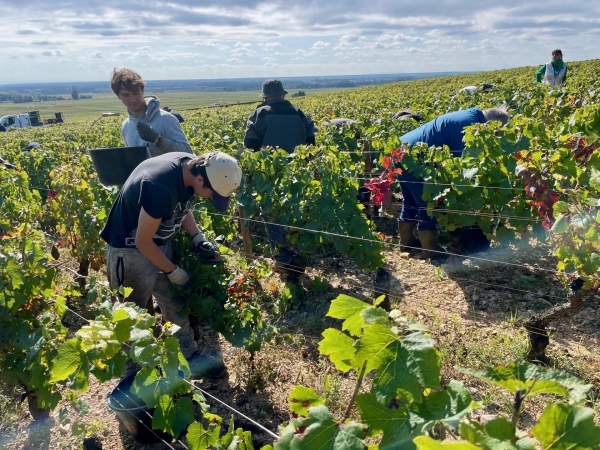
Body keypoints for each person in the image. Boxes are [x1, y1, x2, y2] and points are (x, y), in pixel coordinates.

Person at [100, 151, 242, 378]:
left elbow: (181, 207)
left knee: (175, 303)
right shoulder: (160, 186)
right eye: (210, 194)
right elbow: (142, 241)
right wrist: (171, 270)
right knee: (132, 317)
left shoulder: (193, 167)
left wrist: (198, 238)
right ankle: (132, 375)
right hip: (129, 251)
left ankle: (188, 356)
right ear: (200, 180)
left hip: (158, 243)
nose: (208, 198)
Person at [397, 107, 510, 258]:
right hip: (415, 157)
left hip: (400, 150)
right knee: (428, 202)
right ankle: (430, 250)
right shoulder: (469, 128)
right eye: (497, 131)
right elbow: (462, 167)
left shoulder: (471, 115)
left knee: (410, 199)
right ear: (492, 124)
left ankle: (406, 241)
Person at [243, 79, 317, 273]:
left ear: (266, 97)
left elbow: (249, 148)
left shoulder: (259, 114)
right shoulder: (300, 114)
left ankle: (282, 257)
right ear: (283, 95)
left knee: (271, 212)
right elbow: (312, 145)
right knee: (296, 210)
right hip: (297, 175)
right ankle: (300, 250)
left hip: (268, 175)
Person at [110, 68, 192, 157]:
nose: (133, 100)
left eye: (136, 93)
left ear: (143, 91)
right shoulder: (126, 126)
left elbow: (187, 152)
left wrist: (157, 140)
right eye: (126, 95)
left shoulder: (166, 119)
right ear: (118, 96)